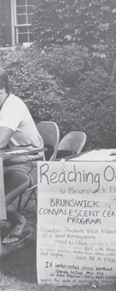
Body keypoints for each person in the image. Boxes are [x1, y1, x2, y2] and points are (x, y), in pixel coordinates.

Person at [0, 67, 44, 245]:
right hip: (7, 162)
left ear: (1, 87)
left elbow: (1, 140)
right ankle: (13, 215)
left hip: (30, 162)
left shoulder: (12, 105)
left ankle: (18, 221)